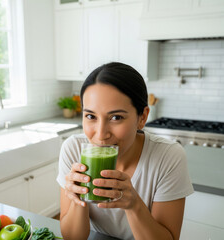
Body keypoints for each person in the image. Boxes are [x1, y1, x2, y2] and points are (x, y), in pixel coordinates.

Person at [56, 62, 193, 240]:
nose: (100, 134)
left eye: (116, 117)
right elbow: (73, 237)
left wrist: (134, 205)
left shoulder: (168, 157)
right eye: (91, 116)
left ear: (142, 118)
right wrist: (78, 199)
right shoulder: (73, 149)